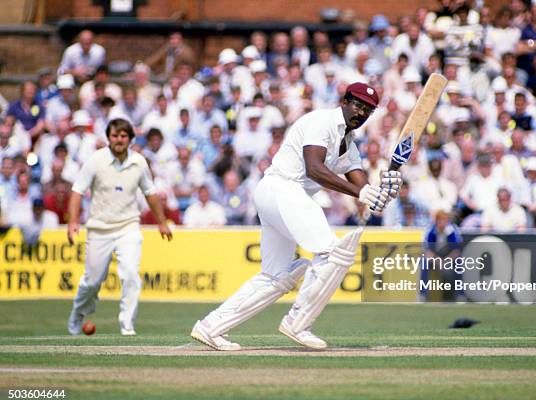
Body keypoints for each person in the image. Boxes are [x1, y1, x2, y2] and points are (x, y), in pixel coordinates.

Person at [191, 83, 404, 351]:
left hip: (282, 197)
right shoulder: (321, 121)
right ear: (345, 101)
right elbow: (314, 169)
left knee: (275, 276)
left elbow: (362, 185)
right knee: (332, 253)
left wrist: (381, 193)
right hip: (283, 188)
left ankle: (211, 327)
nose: (361, 113)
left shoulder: (349, 145)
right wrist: (361, 193)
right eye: (358, 105)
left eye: (368, 111)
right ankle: (298, 322)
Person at [66, 118, 173, 336]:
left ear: (130, 139)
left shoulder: (139, 162)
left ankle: (127, 325)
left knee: (131, 274)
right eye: (115, 136)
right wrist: (73, 222)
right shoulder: (96, 160)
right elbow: (77, 191)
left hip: (128, 227)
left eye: (123, 136)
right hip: (99, 228)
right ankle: (78, 315)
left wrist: (162, 222)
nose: (119, 140)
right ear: (108, 138)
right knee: (92, 281)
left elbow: (150, 193)